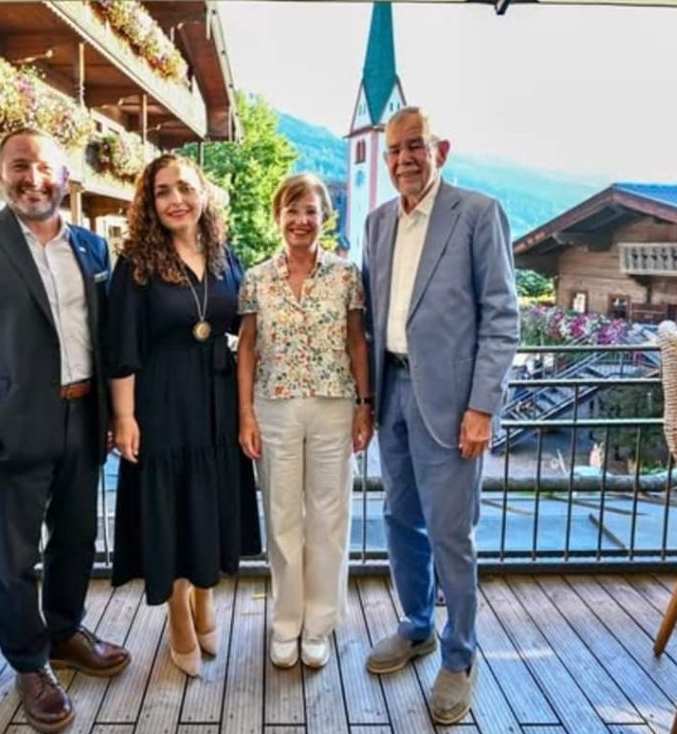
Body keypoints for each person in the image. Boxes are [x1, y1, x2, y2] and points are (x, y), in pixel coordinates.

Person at [0, 128, 130, 733]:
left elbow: (104, 337)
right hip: (6, 429)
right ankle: (29, 663)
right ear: (0, 174)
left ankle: (64, 632)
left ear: (65, 178)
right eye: (19, 166)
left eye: (44, 168)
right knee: (15, 560)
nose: (32, 178)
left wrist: (111, 415)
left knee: (76, 541)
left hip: (83, 420)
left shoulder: (92, 247)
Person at [361, 107, 519, 724]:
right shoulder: (378, 223)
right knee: (400, 518)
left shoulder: (477, 213)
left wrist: (481, 407)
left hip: (453, 406)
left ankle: (460, 656)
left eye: (415, 146)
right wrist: (367, 402)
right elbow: (370, 316)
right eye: (394, 149)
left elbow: (502, 317)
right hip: (392, 391)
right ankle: (418, 625)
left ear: (441, 150)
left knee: (451, 533)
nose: (404, 158)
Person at [107, 153, 261, 678]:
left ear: (203, 194)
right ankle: (178, 613)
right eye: (163, 192)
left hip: (217, 399)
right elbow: (122, 346)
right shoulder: (136, 264)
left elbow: (245, 329)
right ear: (149, 203)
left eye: (185, 188)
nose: (176, 200)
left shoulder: (224, 254)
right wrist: (124, 417)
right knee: (169, 509)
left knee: (209, 503)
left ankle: (204, 598)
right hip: (162, 402)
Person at [236, 173, 372, 669]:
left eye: (310, 210)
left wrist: (365, 405)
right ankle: (287, 620)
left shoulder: (345, 275)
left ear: (324, 217)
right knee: (282, 517)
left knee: (329, 518)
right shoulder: (257, 278)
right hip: (274, 406)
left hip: (334, 405)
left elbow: (357, 341)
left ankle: (319, 624)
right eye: (292, 210)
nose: (301, 220)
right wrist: (245, 413)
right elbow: (246, 347)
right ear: (278, 216)